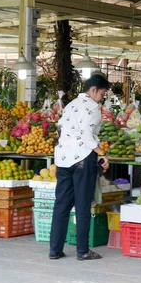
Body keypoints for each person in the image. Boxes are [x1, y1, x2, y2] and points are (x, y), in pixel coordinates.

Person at [49, 74, 110, 261]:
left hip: (63, 159)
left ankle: (55, 250)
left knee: (61, 205)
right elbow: (86, 134)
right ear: (93, 90)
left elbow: (60, 127)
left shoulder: (71, 105)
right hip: (83, 159)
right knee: (82, 205)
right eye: (102, 93)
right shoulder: (92, 107)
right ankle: (83, 251)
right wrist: (101, 153)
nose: (102, 97)